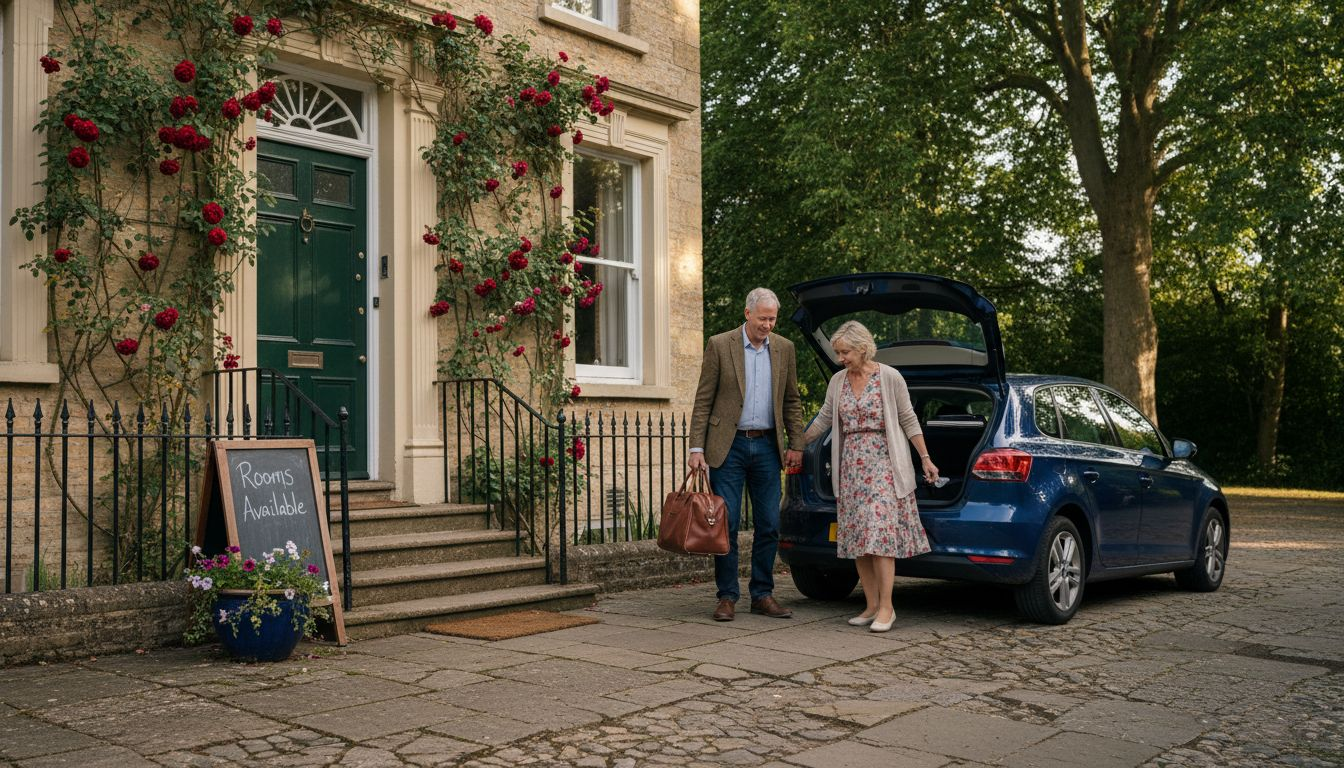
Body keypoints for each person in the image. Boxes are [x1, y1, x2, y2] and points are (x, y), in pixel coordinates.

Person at [801, 320, 939, 632]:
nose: (841, 358)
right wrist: (798, 442)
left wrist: (925, 458)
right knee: (858, 539)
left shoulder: (889, 377)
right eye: (838, 353)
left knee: (879, 536)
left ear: (863, 348)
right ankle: (872, 605)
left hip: (884, 465)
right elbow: (825, 417)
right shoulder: (838, 381)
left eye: (845, 352)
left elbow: (908, 418)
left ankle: (888, 609)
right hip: (851, 469)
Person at [689, 287, 805, 621]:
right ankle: (727, 596)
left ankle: (762, 594)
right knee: (726, 523)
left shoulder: (785, 348)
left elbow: (792, 401)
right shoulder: (720, 345)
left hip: (768, 447)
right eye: (763, 318)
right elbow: (703, 400)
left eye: (773, 319)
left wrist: (796, 444)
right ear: (747, 314)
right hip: (729, 446)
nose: (768, 325)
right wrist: (697, 447)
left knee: (769, 523)